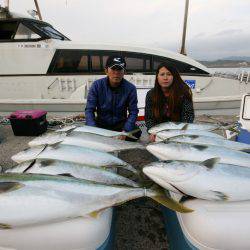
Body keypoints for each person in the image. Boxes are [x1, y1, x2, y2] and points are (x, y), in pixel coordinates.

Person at [85, 55, 141, 141]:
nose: (116, 73)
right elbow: (89, 110)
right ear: (106, 70)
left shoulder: (130, 88)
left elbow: (133, 111)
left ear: (124, 71)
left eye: (119, 69)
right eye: (113, 69)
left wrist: (126, 130)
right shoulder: (96, 85)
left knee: (136, 132)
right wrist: (93, 129)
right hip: (101, 123)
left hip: (120, 124)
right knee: (87, 130)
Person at [145, 62, 194, 142]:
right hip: (159, 132)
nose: (165, 78)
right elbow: (149, 117)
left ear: (174, 76)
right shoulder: (151, 94)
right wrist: (152, 132)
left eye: (169, 74)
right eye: (162, 74)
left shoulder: (184, 93)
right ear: (157, 77)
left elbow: (188, 116)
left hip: (179, 131)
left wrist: (181, 132)